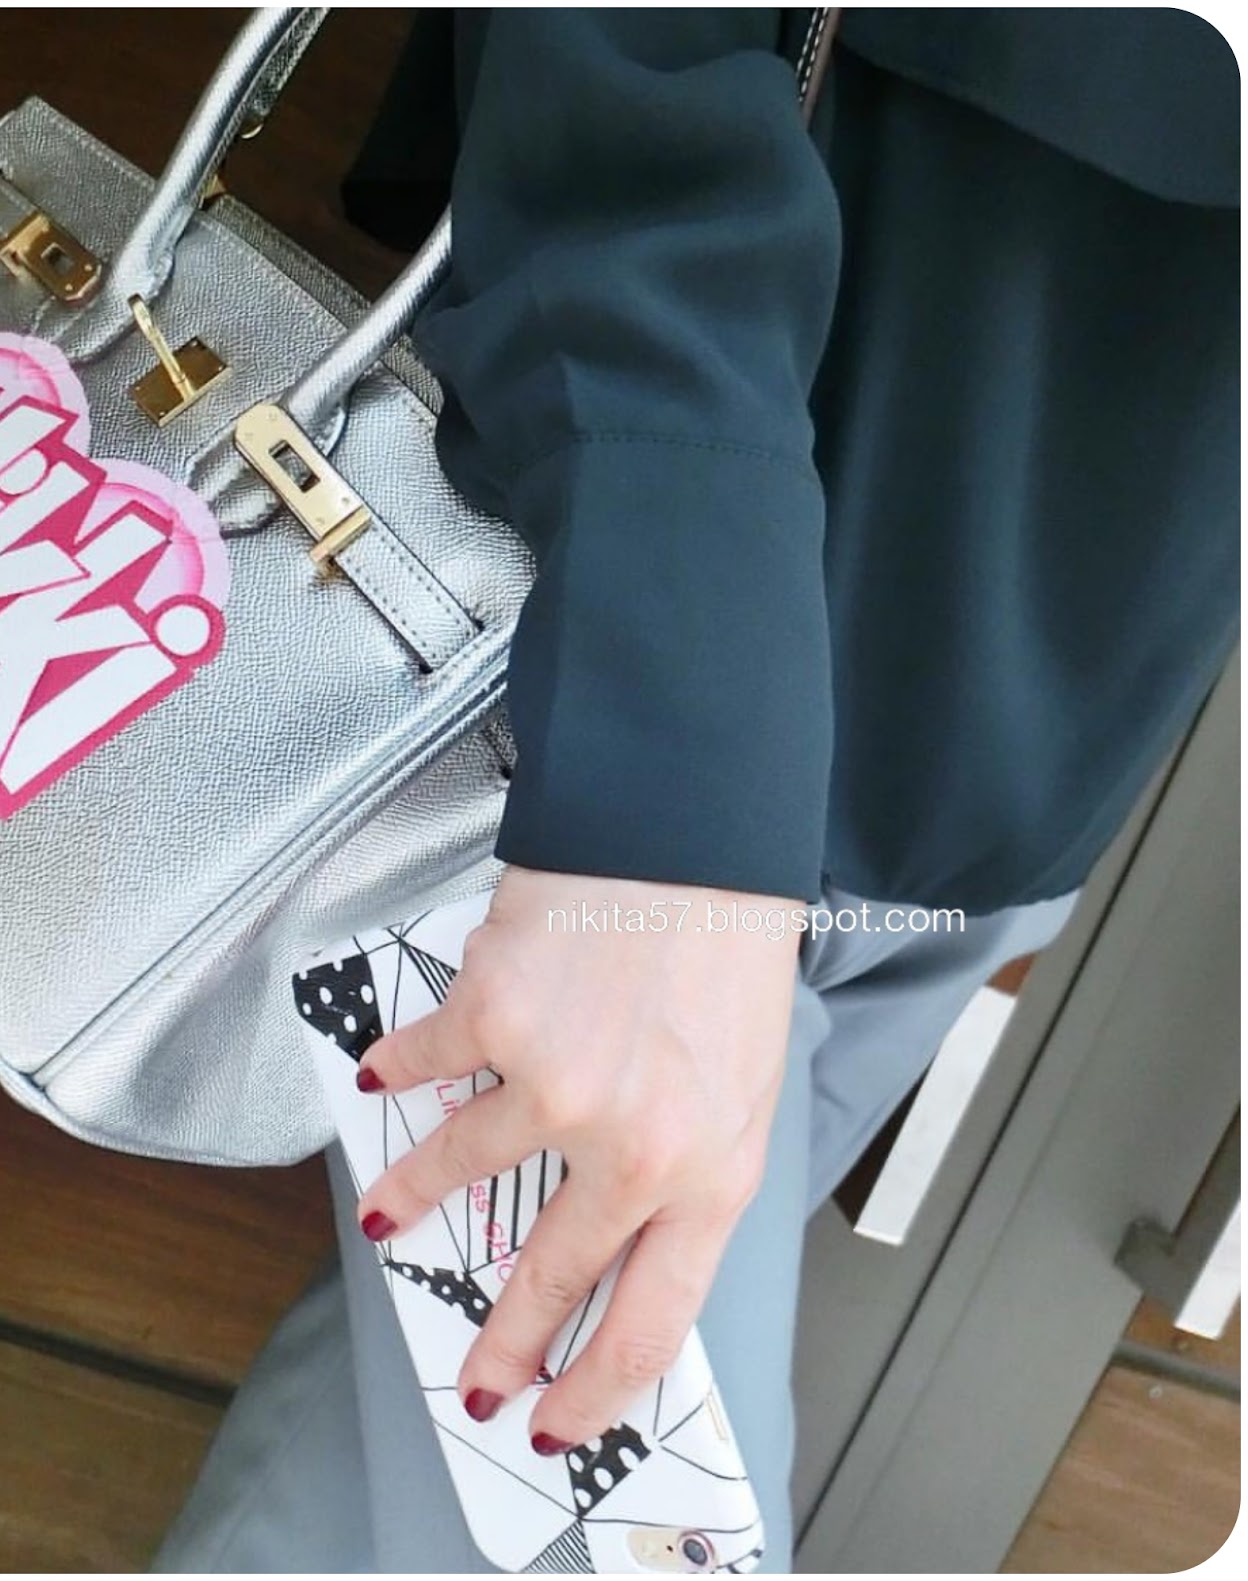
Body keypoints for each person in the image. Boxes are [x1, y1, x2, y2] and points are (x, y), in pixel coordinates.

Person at [155, 8, 1239, 1572]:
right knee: (571, 1468)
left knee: (441, 1449)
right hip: (672, 720)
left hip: (992, 799)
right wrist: (671, 773)